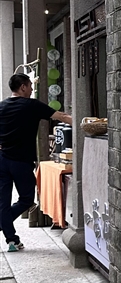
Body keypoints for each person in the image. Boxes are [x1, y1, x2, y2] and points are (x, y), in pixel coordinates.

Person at [0, 73, 71, 251]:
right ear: (23, 87)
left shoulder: (1, 106)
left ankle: (12, 239)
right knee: (26, 200)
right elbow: (61, 116)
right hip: (21, 162)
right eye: (30, 85)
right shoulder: (31, 105)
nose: (32, 89)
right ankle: (5, 227)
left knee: (3, 202)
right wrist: (83, 123)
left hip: (2, 159)